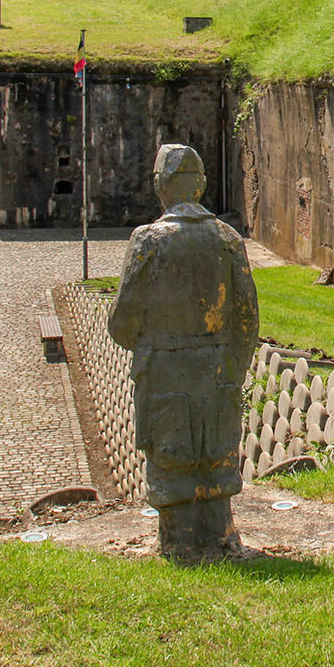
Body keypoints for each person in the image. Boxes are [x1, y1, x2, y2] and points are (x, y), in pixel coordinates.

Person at [107, 144, 258, 560]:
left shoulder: (149, 241)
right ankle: (221, 534)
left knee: (172, 455)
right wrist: (232, 367)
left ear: (161, 186)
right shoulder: (227, 239)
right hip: (218, 370)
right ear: (202, 185)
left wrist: (153, 345)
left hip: (165, 371)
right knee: (216, 452)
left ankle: (177, 542)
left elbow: (122, 319)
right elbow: (247, 316)